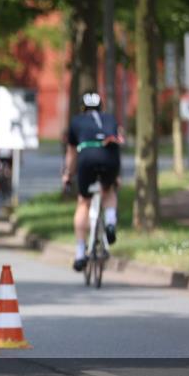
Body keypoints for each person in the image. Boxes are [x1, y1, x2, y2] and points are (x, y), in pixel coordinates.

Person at [63, 91, 123, 271]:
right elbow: (116, 143)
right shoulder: (110, 119)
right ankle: (110, 222)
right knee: (109, 191)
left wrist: (68, 174)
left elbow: (71, 153)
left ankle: (81, 252)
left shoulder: (76, 122)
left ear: (83, 108)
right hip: (110, 158)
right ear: (100, 107)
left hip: (87, 158)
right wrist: (116, 175)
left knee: (84, 202)